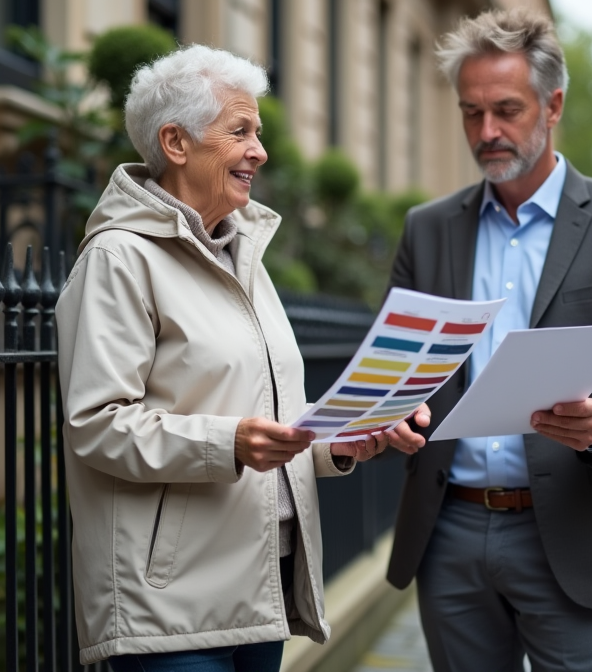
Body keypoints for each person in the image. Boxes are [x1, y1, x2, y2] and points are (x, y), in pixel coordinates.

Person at [55, 44, 429, 671]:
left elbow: (265, 414)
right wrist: (230, 444)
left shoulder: (242, 257)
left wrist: (340, 441)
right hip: (169, 610)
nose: (260, 150)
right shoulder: (119, 259)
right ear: (176, 143)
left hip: (262, 589)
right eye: (241, 131)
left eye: (257, 131)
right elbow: (97, 426)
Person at [385, 8, 592, 671]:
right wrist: (398, 413)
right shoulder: (427, 229)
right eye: (471, 113)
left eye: (506, 110)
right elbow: (399, 371)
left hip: (573, 530)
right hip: (450, 529)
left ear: (552, 105)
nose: (487, 131)